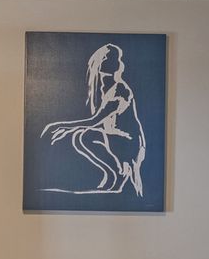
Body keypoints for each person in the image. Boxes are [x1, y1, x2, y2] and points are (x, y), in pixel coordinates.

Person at [41, 42, 146, 195]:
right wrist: (72, 128)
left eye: (118, 59)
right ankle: (113, 175)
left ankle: (117, 177)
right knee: (82, 137)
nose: (119, 63)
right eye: (113, 59)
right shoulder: (102, 89)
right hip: (114, 136)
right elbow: (99, 123)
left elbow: (95, 121)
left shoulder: (120, 90)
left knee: (84, 136)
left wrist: (63, 126)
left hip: (128, 140)